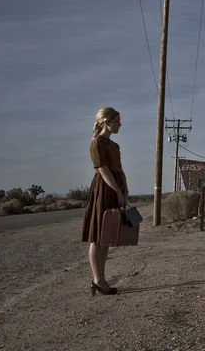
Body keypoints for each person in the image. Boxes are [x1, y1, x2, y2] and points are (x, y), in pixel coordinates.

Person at [81, 107, 128, 295]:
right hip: (103, 189)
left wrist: (124, 190)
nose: (119, 125)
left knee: (106, 236)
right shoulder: (97, 143)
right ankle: (98, 279)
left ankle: (101, 279)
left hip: (116, 188)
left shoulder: (114, 146)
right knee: (97, 235)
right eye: (116, 121)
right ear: (106, 122)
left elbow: (119, 169)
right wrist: (116, 190)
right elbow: (102, 168)